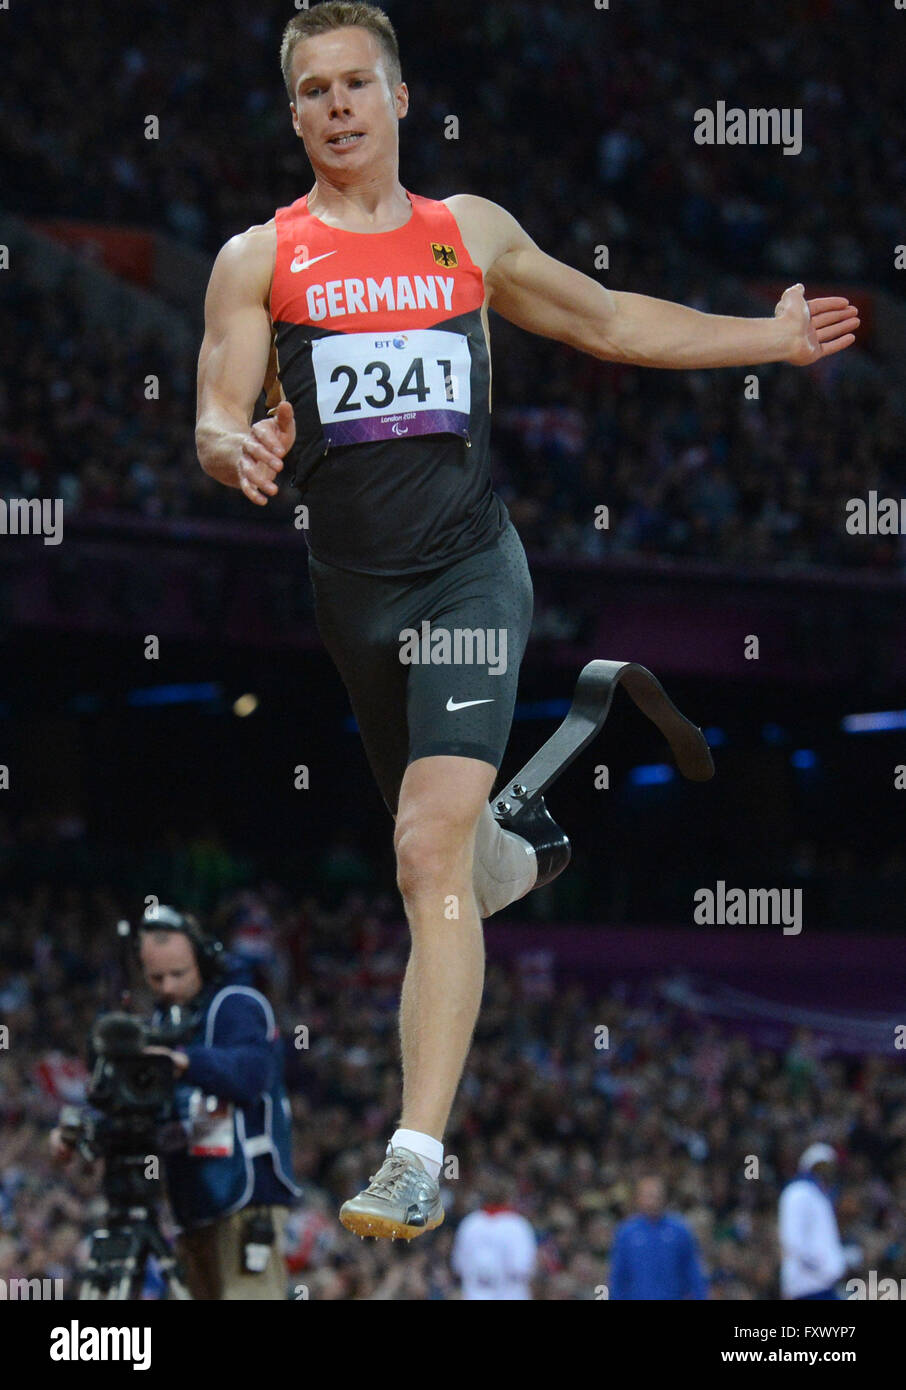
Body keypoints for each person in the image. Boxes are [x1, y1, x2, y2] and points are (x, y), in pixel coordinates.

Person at [193, 0, 860, 1241]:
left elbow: (610, 322)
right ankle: (526, 849)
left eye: (356, 84)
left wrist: (766, 338)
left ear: (399, 97)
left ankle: (412, 1151)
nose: (337, 107)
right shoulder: (259, 258)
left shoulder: (469, 235)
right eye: (313, 91)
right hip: (355, 603)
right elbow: (214, 408)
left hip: (468, 576)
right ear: (293, 114)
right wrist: (235, 444)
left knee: (423, 850)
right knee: (444, 854)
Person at [51, 906, 300, 1299]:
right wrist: (82, 1127)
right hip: (192, 1202)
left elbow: (252, 1074)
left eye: (177, 974)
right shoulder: (162, 1022)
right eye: (156, 978)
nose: (166, 986)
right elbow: (136, 1098)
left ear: (202, 960)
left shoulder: (237, 1003)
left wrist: (186, 1062)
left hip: (247, 1199)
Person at [609, 1175, 708, 1300]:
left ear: (664, 1198)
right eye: (648, 1195)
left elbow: (693, 1272)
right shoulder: (626, 1233)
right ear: (638, 1199)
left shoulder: (680, 1230)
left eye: (656, 1195)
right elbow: (618, 1276)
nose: (652, 1200)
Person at [778, 1143, 852, 1300]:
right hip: (807, 1285)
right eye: (821, 1167)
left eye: (829, 1168)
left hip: (824, 1284)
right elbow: (791, 1240)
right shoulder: (797, 1192)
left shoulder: (820, 1196)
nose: (826, 1172)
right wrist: (821, 1267)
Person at [451, 1177, 537, 1300]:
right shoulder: (517, 1225)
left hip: (475, 1294)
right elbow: (522, 1267)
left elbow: (458, 1266)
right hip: (509, 1294)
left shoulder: (470, 1223)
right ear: (509, 1197)